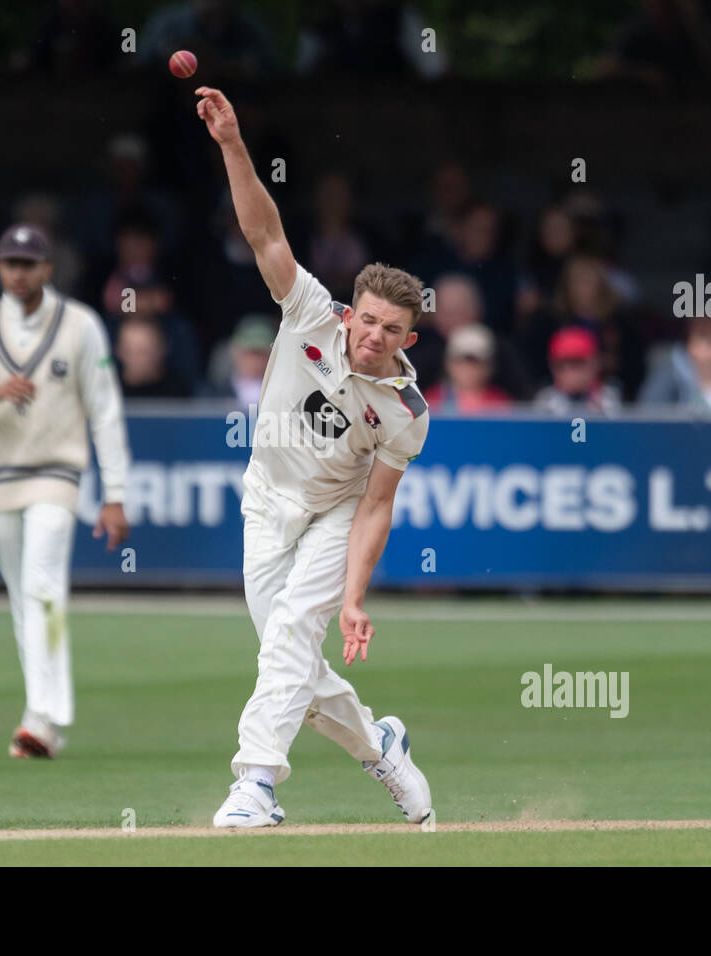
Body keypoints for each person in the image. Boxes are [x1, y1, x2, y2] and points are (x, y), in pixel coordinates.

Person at [196, 85, 432, 829]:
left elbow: (377, 505)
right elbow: (265, 235)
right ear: (351, 309)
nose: (371, 336)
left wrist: (355, 596)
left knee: (297, 632)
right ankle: (381, 746)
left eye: (390, 330)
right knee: (291, 659)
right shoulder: (309, 312)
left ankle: (257, 784)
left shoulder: (405, 412)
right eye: (366, 319)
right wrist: (233, 143)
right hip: (267, 500)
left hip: (333, 513)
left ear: (408, 340)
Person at [0, 224, 131, 759]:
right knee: (24, 597)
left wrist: (115, 493)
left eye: (28, 264)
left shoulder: (81, 324)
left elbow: (106, 409)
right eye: (10, 263)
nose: (19, 273)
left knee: (42, 585)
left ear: (47, 268)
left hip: (57, 473)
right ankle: (45, 718)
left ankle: (40, 718)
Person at [533, 326, 622, 415]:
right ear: (553, 367)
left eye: (577, 363)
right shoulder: (546, 400)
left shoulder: (607, 398)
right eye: (562, 365)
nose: (570, 371)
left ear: (594, 363)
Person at [424, 324, 513, 414]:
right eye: (460, 362)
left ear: (488, 366)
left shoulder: (500, 403)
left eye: (475, 363)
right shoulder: (432, 399)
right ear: (448, 364)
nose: (467, 369)